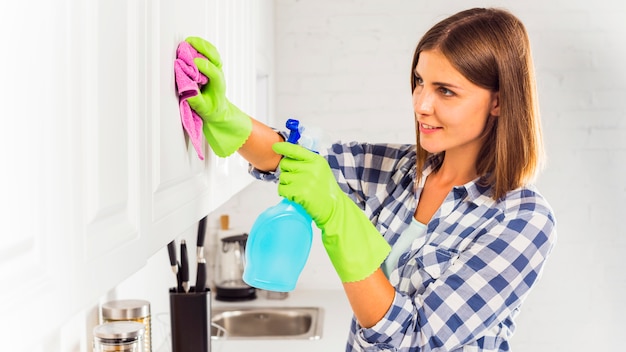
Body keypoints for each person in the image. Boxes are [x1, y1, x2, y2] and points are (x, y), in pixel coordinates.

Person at [185, 7, 556, 351]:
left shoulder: (522, 220)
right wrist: (224, 114)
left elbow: (415, 337)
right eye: (419, 81)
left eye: (446, 91)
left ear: (499, 101)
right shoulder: (399, 170)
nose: (421, 104)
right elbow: (292, 156)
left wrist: (339, 218)